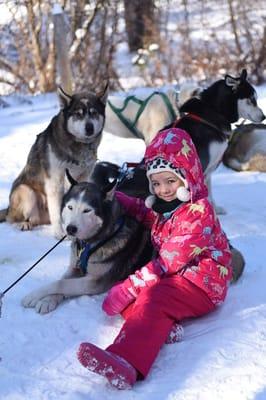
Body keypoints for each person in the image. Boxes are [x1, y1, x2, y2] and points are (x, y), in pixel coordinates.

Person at [77, 128, 232, 390]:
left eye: (170, 181)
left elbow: (170, 260)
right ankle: (160, 328)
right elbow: (154, 219)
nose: (164, 190)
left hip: (203, 282)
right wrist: (125, 201)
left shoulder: (199, 212)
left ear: (187, 176)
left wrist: (130, 285)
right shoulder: (168, 206)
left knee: (152, 297)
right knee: (145, 299)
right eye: (156, 184)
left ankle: (126, 362)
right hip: (179, 277)